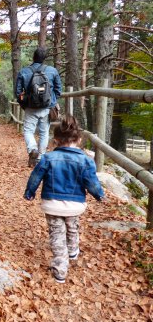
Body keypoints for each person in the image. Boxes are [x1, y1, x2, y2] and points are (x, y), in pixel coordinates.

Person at [23, 116, 105, 284]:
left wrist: (29, 193)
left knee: (56, 234)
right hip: (75, 205)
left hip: (52, 204)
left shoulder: (47, 158)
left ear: (55, 140)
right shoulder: (86, 161)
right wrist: (99, 195)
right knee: (72, 226)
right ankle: (73, 250)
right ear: (79, 140)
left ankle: (60, 269)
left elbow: (35, 177)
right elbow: (91, 182)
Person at [16, 47, 62, 167]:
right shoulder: (52, 71)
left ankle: (32, 149)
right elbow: (58, 90)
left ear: (33, 57)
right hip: (46, 108)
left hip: (30, 107)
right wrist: (51, 102)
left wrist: (24, 105)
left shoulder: (24, 71)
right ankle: (40, 158)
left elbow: (17, 92)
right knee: (44, 133)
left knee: (28, 131)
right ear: (44, 59)